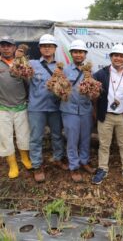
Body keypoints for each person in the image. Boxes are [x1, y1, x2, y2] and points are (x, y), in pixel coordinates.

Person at [92, 44, 123, 185]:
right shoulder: (100, 74)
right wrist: (95, 111)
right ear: (111, 57)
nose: (118, 58)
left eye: (121, 56)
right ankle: (102, 168)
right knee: (104, 145)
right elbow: (93, 94)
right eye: (115, 55)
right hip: (106, 115)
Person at [28, 34, 68, 183]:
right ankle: (37, 165)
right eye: (44, 46)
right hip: (36, 108)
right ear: (39, 48)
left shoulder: (60, 67)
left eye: (50, 46)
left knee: (57, 135)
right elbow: (21, 77)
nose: (47, 48)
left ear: (55, 49)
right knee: (36, 138)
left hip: (55, 108)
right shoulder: (32, 64)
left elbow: (65, 87)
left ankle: (58, 158)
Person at [60, 39, 95, 183]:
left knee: (86, 137)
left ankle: (84, 161)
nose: (78, 55)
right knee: (72, 139)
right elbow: (58, 89)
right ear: (71, 54)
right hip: (69, 110)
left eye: (81, 52)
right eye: (75, 52)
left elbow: (94, 92)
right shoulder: (64, 71)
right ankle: (74, 166)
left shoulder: (90, 72)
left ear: (85, 54)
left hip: (86, 110)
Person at [0, 35, 32, 178]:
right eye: (3, 45)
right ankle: (12, 164)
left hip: (21, 105)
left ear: (14, 48)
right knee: (5, 137)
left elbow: (30, 82)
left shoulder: (22, 63)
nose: (5, 48)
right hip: (2, 107)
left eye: (8, 45)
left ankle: (24, 158)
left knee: (23, 134)